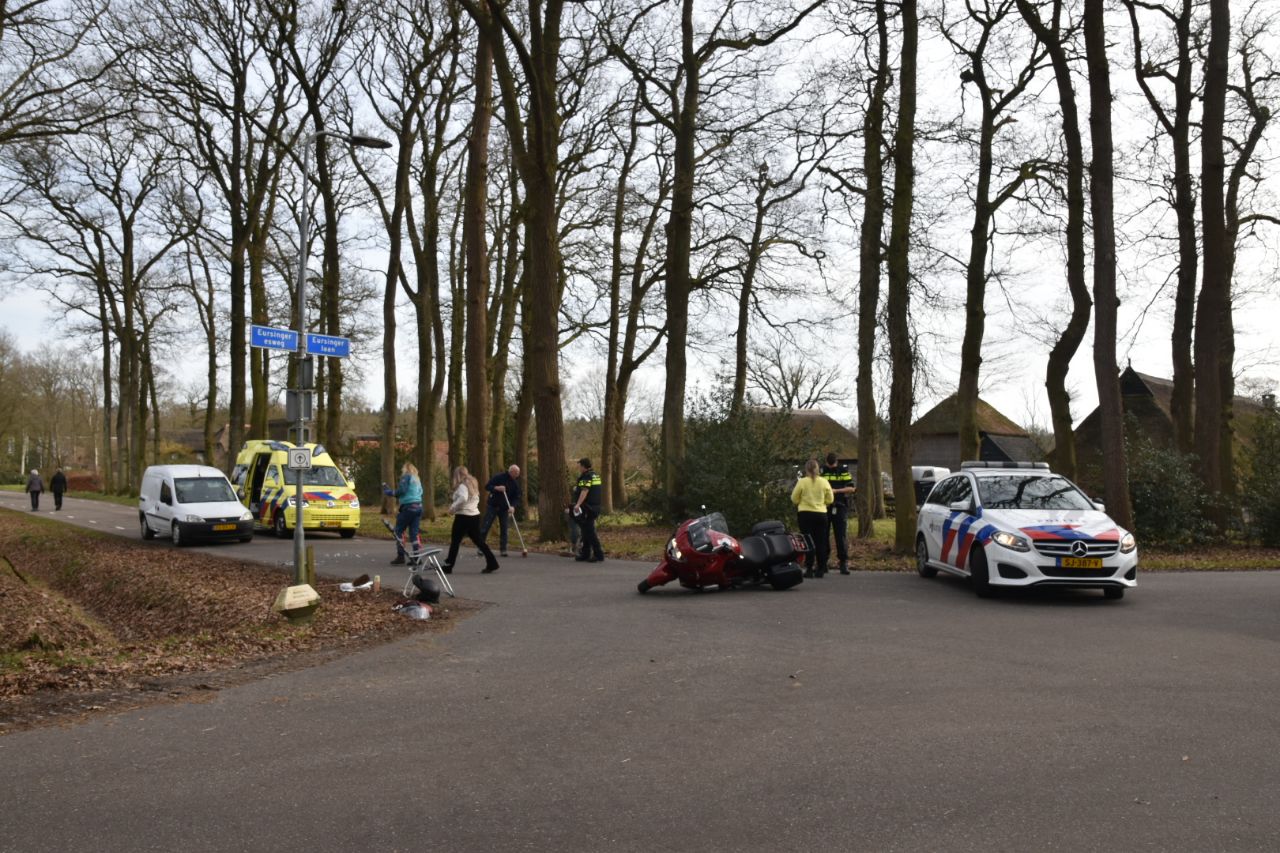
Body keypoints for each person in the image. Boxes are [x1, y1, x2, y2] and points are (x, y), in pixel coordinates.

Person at [441, 465, 500, 574]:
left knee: (455, 541)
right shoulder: (473, 483)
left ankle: (448, 566)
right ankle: (492, 562)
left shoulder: (462, 486)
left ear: (457, 475)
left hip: (463, 516)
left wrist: (453, 508)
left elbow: (463, 498)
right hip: (474, 516)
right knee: (479, 541)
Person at [791, 458, 834, 578]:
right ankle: (821, 568)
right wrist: (822, 503)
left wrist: (802, 502)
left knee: (808, 542)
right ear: (817, 469)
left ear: (806, 469)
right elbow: (830, 499)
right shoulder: (824, 482)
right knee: (821, 541)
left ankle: (809, 568)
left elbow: (794, 498)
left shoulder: (802, 482)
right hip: (821, 514)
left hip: (805, 514)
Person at [820, 452, 855, 575]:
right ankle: (823, 563)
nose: (830, 467)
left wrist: (835, 491)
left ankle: (843, 563)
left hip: (840, 506)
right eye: (829, 465)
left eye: (832, 465)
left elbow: (851, 488)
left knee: (840, 536)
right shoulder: (822, 471)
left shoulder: (843, 471)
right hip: (824, 507)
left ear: (836, 462)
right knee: (823, 536)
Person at [384, 462, 424, 566]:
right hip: (418, 507)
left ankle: (400, 556)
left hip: (408, 508)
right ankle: (417, 557)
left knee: (399, 531)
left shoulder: (406, 477)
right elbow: (420, 493)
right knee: (414, 533)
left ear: (405, 469)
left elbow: (402, 490)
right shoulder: (417, 479)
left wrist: (390, 492)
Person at [479, 465, 521, 557]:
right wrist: (496, 488)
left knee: (504, 529)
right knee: (485, 527)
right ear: (511, 471)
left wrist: (513, 506)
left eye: (518, 473)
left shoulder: (515, 483)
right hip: (492, 506)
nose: (517, 475)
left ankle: (503, 549)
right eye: (516, 473)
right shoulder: (499, 477)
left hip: (504, 508)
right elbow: (487, 486)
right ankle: (481, 547)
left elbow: (516, 497)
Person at [571, 458, 604, 563]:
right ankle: (585, 554)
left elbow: (585, 491)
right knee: (585, 530)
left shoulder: (587, 476)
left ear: (584, 466)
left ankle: (598, 554)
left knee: (589, 531)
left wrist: (578, 504)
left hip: (588, 507)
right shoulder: (595, 475)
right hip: (594, 506)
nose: (578, 468)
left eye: (579, 466)